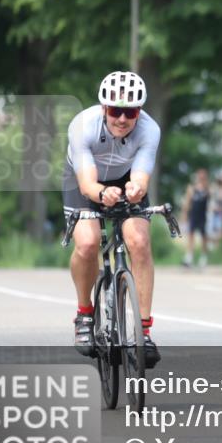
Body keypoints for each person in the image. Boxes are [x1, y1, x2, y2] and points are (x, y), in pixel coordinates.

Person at [63, 71, 162, 366]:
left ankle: (143, 332)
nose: (122, 119)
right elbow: (87, 184)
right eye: (115, 111)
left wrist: (136, 188)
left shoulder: (150, 130)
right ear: (104, 108)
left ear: (139, 112)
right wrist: (101, 193)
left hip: (126, 178)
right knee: (88, 243)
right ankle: (84, 314)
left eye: (129, 112)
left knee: (140, 241)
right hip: (84, 181)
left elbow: (142, 176)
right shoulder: (83, 125)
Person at [182, 169, 211, 268]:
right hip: (193, 215)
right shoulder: (192, 188)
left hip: (203, 216)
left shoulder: (208, 189)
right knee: (191, 236)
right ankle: (189, 257)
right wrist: (185, 214)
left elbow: (213, 199)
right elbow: (187, 202)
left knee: (204, 237)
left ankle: (204, 257)